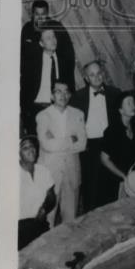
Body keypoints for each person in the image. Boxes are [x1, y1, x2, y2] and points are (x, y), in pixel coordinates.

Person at [71, 60, 120, 212]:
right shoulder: (77, 97)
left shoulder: (115, 93)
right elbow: (72, 126)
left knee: (112, 188)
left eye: (99, 73)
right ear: (86, 78)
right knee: (91, 192)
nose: (97, 77)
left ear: (103, 73)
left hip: (110, 146)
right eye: (92, 75)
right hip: (89, 148)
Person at [36, 80, 86, 225]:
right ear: (52, 96)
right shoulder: (42, 116)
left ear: (70, 95)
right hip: (50, 174)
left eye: (66, 92)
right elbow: (46, 145)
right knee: (47, 220)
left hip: (72, 173)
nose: (63, 95)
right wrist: (71, 139)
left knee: (70, 221)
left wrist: (57, 140)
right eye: (58, 91)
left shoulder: (78, 114)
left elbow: (82, 144)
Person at [20, 27, 75, 135]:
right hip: (36, 110)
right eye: (48, 38)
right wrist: (26, 114)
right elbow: (24, 90)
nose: (53, 40)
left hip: (58, 110)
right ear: (41, 43)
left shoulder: (64, 60)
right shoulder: (32, 62)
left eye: (54, 36)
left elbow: (70, 86)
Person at [99, 91, 135, 204]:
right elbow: (104, 159)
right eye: (128, 103)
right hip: (113, 181)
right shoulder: (112, 131)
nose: (133, 106)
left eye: (133, 102)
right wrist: (123, 176)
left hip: (129, 179)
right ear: (120, 110)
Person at [19, 136, 56, 250]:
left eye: (32, 146)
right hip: (19, 228)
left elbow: (51, 196)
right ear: (18, 153)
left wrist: (44, 209)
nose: (31, 150)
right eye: (25, 148)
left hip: (40, 223)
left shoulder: (43, 170)